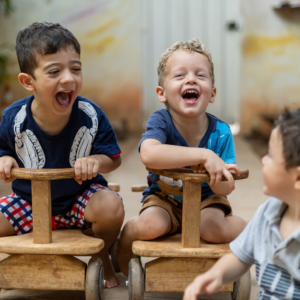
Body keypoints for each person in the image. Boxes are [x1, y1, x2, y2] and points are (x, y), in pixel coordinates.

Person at [0, 21, 124, 289]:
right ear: (28, 82)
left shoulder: (90, 115)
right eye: (54, 71)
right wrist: (4, 159)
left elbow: (113, 157)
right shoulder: (13, 119)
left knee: (111, 206)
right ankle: (23, 260)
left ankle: (102, 255)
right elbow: (3, 150)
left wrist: (96, 161)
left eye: (75, 69)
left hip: (80, 200)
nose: (68, 78)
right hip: (28, 202)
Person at [117, 38, 247, 276]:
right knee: (150, 226)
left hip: (207, 201)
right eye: (180, 75)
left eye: (200, 75)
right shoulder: (161, 121)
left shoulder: (221, 132)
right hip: (164, 198)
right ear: (162, 93)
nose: (190, 79)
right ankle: (122, 249)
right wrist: (204, 155)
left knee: (213, 229)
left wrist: (221, 178)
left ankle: (253, 231)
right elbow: (149, 154)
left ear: (213, 94)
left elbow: (225, 190)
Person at [184, 108, 300, 300]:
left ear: (297, 176)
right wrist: (217, 274)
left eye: (270, 155)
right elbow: (239, 256)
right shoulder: (267, 214)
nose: (263, 159)